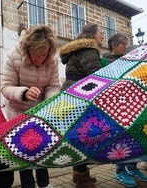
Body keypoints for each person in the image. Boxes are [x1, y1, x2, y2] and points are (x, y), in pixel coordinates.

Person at [1, 25, 60, 188]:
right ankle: (28, 185)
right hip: (17, 112)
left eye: (44, 55)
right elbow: (5, 87)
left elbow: (53, 86)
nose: (40, 59)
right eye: (36, 55)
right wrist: (24, 93)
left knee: (43, 148)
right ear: (27, 49)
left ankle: (45, 184)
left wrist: (51, 100)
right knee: (23, 151)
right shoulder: (14, 56)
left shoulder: (52, 60)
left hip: (41, 112)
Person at [103, 33, 147, 187]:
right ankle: (120, 171)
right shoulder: (104, 61)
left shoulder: (129, 60)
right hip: (115, 107)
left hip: (132, 105)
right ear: (114, 45)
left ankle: (133, 167)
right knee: (121, 138)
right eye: (123, 44)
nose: (126, 47)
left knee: (136, 136)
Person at [59, 23, 104, 188]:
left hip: (72, 95)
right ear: (92, 35)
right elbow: (97, 75)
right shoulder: (89, 50)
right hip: (81, 98)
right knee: (85, 137)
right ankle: (81, 179)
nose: (102, 36)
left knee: (79, 136)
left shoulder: (76, 52)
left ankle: (81, 174)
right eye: (100, 33)